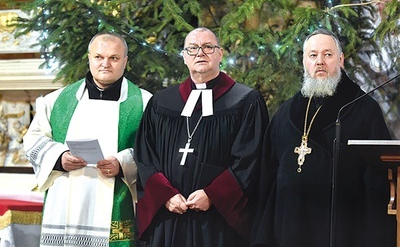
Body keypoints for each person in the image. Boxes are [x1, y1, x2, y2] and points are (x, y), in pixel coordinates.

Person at [251, 29, 396, 247]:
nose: (320, 62)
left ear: (340, 60)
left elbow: (377, 184)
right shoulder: (285, 114)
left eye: (327, 55)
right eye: (313, 55)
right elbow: (267, 180)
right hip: (289, 227)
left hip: (342, 229)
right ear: (304, 61)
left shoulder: (363, 109)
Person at [134, 27, 269, 247]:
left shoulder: (245, 101)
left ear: (220, 54)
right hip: (170, 215)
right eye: (193, 48)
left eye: (208, 47)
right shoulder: (161, 102)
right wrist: (165, 194)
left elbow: (250, 159)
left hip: (218, 222)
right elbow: (145, 156)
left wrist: (213, 195)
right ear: (185, 56)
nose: (200, 53)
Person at [23, 32, 152, 247]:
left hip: (116, 199)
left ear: (125, 61)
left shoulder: (144, 103)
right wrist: (59, 157)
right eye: (99, 57)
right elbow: (33, 139)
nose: (105, 64)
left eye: (114, 58)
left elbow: (154, 149)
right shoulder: (56, 100)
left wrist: (122, 163)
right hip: (65, 197)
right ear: (89, 58)